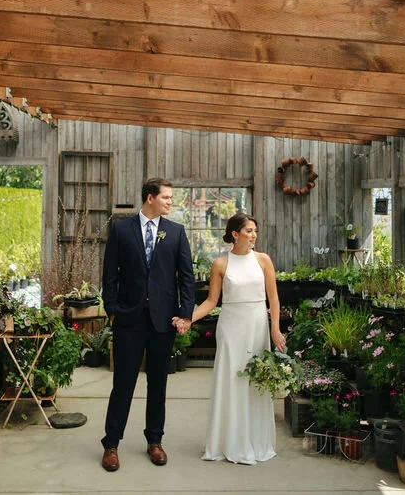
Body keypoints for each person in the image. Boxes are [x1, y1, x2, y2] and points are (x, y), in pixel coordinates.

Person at [100, 178, 194, 472]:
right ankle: (111, 444)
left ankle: (155, 441)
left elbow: (186, 277)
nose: (170, 202)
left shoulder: (176, 232)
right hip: (128, 319)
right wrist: (112, 309)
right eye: (166, 197)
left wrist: (186, 314)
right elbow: (109, 274)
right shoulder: (121, 230)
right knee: (123, 383)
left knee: (158, 384)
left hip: (162, 322)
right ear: (150, 198)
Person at [179, 212, 286, 465]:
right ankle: (229, 442)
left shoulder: (263, 260)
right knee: (231, 380)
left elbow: (274, 299)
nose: (254, 235)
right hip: (231, 327)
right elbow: (211, 302)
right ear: (235, 234)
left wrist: (275, 329)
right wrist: (188, 319)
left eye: (255, 231)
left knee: (255, 380)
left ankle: (255, 441)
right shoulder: (220, 264)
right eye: (249, 231)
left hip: (257, 326)